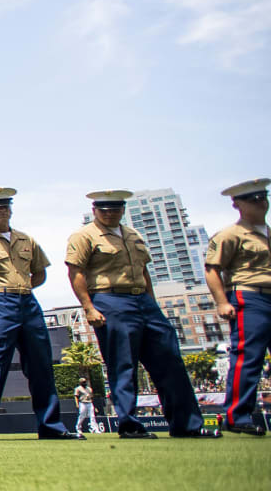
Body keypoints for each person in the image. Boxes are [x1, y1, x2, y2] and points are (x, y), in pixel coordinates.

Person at [65, 190, 216, 439]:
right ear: (95, 211)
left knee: (171, 362)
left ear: (123, 210)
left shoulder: (132, 235)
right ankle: (129, 424)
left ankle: (187, 425)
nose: (110, 214)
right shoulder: (84, 236)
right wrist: (89, 307)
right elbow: (76, 273)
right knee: (123, 364)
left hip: (143, 300)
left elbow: (144, 272)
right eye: (104, 210)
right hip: (110, 298)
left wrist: (152, 304)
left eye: (115, 209)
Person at [0, 188, 82, 440]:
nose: (2, 210)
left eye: (6, 206)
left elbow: (40, 272)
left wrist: (23, 289)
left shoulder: (26, 240)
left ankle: (51, 426)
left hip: (27, 302)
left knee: (41, 365)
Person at [203, 178, 270, 437]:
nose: (261, 203)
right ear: (237, 204)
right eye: (253, 199)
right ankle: (237, 416)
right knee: (248, 358)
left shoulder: (268, 232)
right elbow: (212, 269)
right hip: (250, 296)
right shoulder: (230, 235)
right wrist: (222, 301)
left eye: (263, 197)